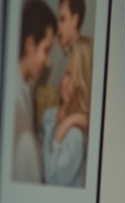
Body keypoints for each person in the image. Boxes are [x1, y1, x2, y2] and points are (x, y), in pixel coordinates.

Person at [13, 0, 56, 184]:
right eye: (46, 50)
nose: (48, 62)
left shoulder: (25, 90)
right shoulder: (15, 104)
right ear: (30, 45)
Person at [41, 36, 90, 187]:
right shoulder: (50, 115)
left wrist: (62, 129)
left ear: (80, 83)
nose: (63, 79)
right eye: (64, 73)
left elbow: (51, 179)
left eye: (69, 74)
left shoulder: (75, 135)